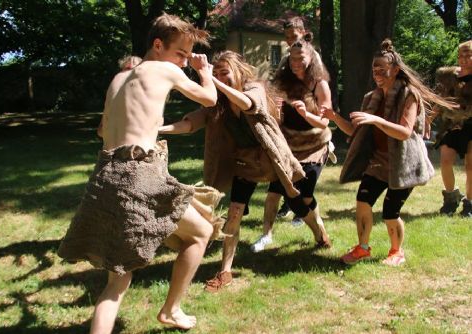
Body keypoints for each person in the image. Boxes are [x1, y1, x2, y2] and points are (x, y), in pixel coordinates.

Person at [58, 13, 224, 332]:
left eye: (189, 58)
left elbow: (102, 130)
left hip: (105, 177)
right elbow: (210, 99)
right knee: (201, 233)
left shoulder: (119, 80)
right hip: (139, 176)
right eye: (181, 54)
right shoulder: (163, 69)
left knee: (117, 281)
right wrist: (204, 72)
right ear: (158, 45)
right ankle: (171, 310)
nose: (184, 63)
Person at [160, 50, 311, 292]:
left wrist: (211, 78)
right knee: (234, 213)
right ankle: (225, 270)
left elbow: (249, 104)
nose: (219, 77)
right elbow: (192, 122)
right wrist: (160, 128)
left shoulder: (255, 88)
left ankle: (320, 234)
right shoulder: (217, 102)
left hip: (274, 159)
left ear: (238, 71)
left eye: (224, 72)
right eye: (216, 72)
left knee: (299, 201)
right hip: (245, 163)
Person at [321, 39, 456, 266]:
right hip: (378, 163)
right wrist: (334, 117)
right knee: (363, 201)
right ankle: (363, 248)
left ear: (395, 70)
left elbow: (404, 132)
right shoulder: (371, 98)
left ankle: (397, 252)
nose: (377, 73)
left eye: (382, 69)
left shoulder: (409, 95)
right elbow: (357, 132)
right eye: (374, 69)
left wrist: (376, 119)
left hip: (404, 165)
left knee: (390, 212)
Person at [251, 40, 333, 253]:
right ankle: (266, 235)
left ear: (311, 58)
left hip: (314, 146)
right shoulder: (283, 83)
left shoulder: (319, 84)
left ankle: (319, 232)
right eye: (292, 57)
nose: (296, 62)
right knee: (273, 194)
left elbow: (325, 122)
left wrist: (306, 114)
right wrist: (275, 111)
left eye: (301, 57)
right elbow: (276, 116)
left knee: (302, 197)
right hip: (287, 147)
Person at [429, 40, 472, 217]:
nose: (464, 59)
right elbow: (439, 101)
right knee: (445, 162)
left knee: (470, 167)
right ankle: (451, 199)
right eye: (461, 56)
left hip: (471, 125)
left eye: (468, 55)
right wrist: (427, 119)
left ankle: (469, 204)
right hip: (450, 125)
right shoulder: (449, 77)